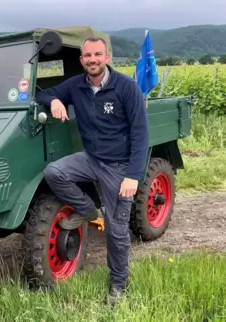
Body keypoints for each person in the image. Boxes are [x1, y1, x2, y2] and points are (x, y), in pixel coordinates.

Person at [35, 36, 149, 305]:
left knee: (116, 228)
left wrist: (133, 175)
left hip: (119, 166)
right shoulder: (76, 85)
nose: (93, 60)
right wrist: (53, 102)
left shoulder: (126, 88)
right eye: (88, 56)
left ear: (107, 57)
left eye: (98, 55)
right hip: (91, 158)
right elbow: (43, 92)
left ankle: (118, 284)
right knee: (54, 172)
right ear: (82, 60)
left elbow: (141, 135)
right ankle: (86, 209)